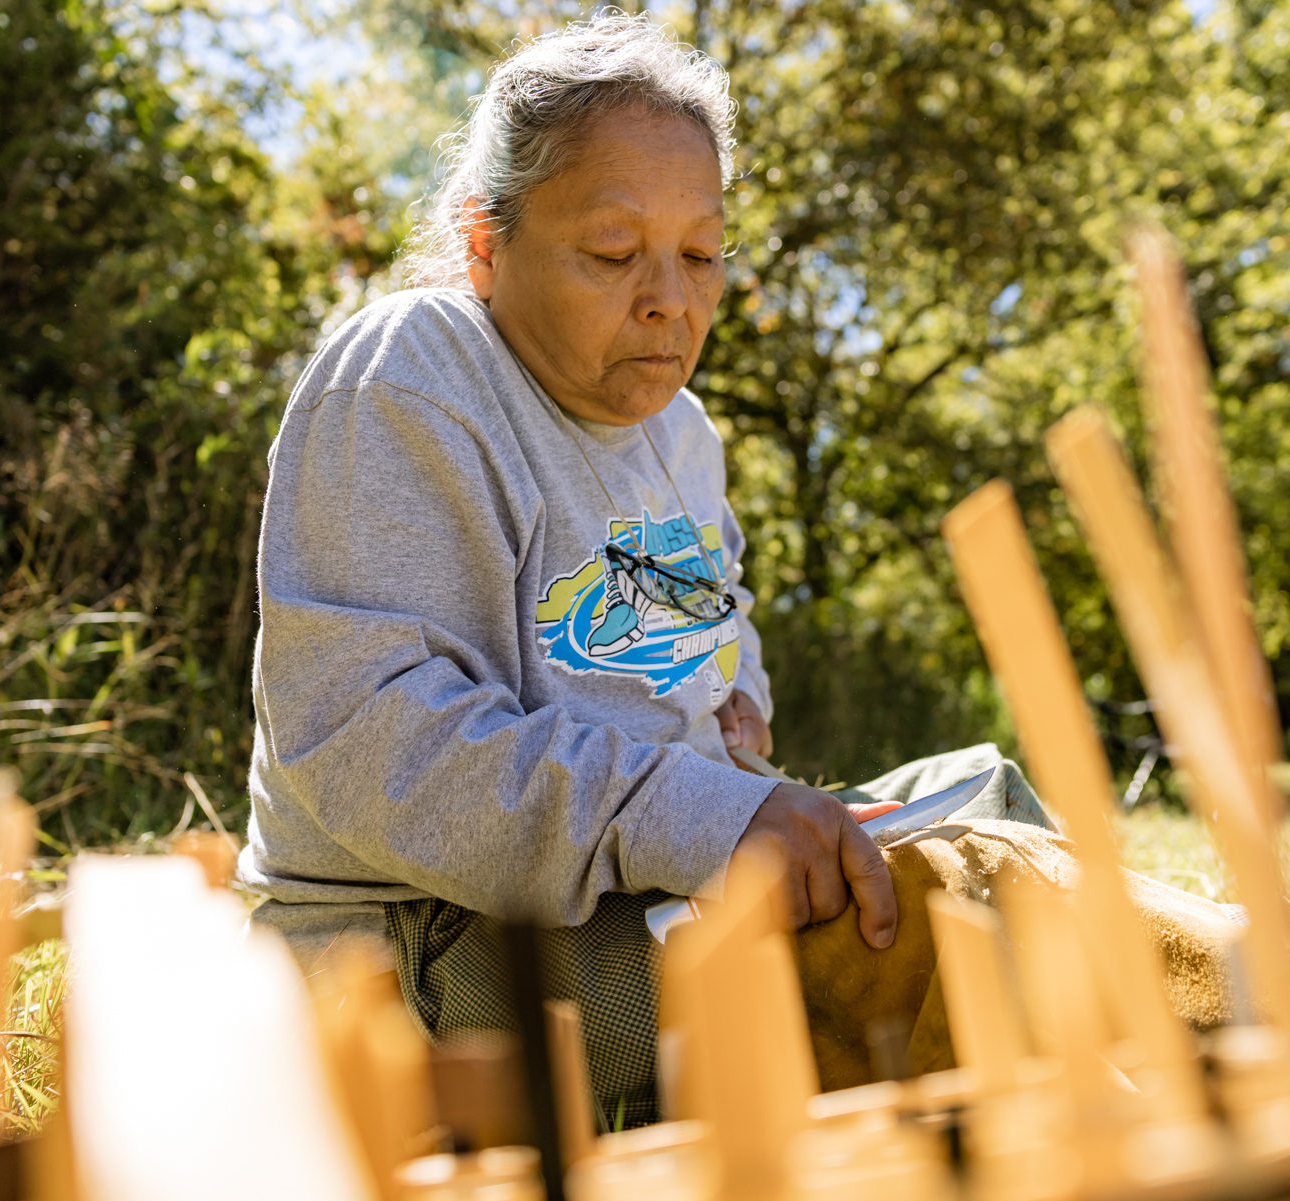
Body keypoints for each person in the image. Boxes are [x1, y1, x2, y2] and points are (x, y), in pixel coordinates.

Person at [239, 13, 1049, 1125]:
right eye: (616, 253)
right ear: (485, 243)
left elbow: (709, 608)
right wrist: (702, 815)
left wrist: (734, 719)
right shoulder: (409, 375)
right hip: (426, 958)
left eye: (703, 252)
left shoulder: (683, 434)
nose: (671, 296)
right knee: (935, 916)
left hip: (633, 891)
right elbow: (381, 747)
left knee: (991, 803)